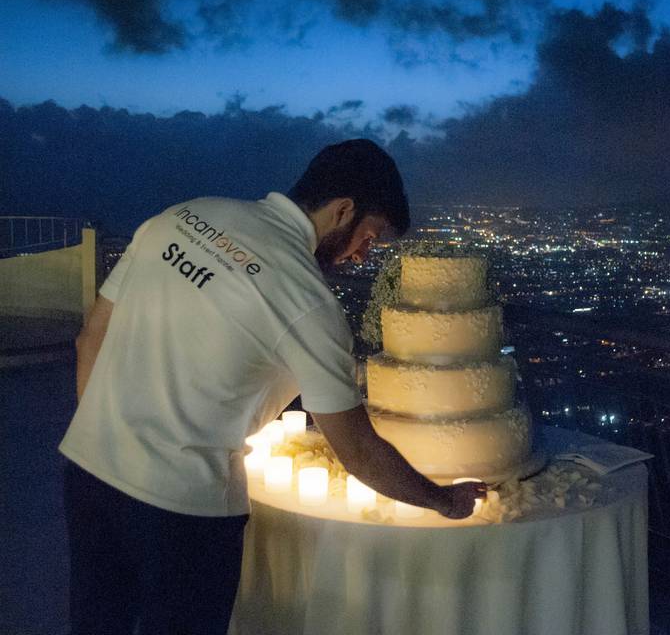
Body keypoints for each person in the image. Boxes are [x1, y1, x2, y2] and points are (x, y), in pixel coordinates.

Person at [59, 138, 486, 635]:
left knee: (94, 621)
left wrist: (107, 440)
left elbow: (91, 337)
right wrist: (441, 500)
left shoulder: (182, 216)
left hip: (88, 473)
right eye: (368, 238)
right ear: (343, 210)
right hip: (184, 511)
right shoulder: (307, 301)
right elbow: (359, 453)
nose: (362, 256)